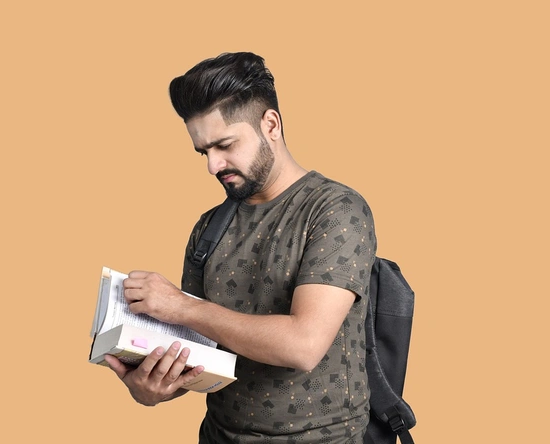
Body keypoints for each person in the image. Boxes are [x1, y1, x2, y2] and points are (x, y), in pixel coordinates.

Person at [103, 52, 377, 444]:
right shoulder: (208, 228)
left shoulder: (337, 209)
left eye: (225, 145)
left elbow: (304, 345)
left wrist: (180, 306)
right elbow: (198, 354)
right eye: (204, 152)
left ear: (271, 125)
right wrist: (153, 388)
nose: (213, 166)